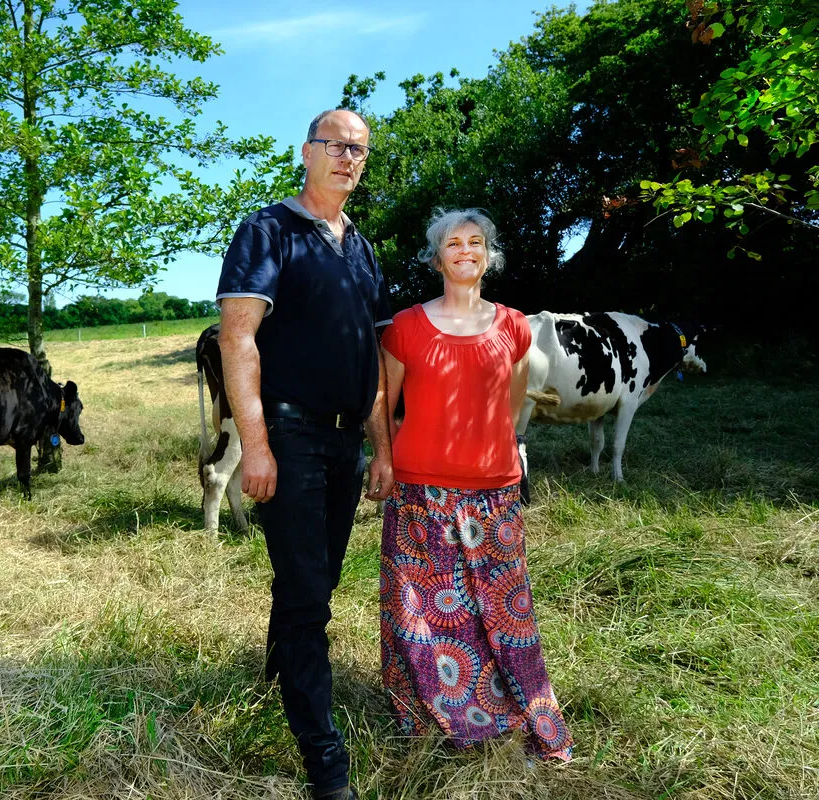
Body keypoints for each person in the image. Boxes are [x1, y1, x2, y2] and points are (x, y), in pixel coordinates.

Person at [215, 109, 394, 800]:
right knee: (308, 603)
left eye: (360, 150)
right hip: (288, 436)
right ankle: (327, 766)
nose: (348, 158)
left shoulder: (362, 248)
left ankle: (277, 670)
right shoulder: (268, 231)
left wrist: (382, 447)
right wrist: (256, 446)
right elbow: (238, 339)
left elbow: (372, 356)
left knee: (312, 584)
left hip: (346, 441)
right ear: (307, 152)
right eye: (337, 146)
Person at [378, 208, 572, 761]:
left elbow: (510, 410)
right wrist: (382, 461)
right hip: (419, 491)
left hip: (493, 491)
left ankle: (512, 712)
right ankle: (432, 717)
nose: (466, 250)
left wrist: (493, 455)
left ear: (489, 256)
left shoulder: (514, 325)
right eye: (454, 243)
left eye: (477, 242)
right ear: (436, 258)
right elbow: (384, 405)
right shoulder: (404, 327)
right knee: (420, 608)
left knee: (501, 610)